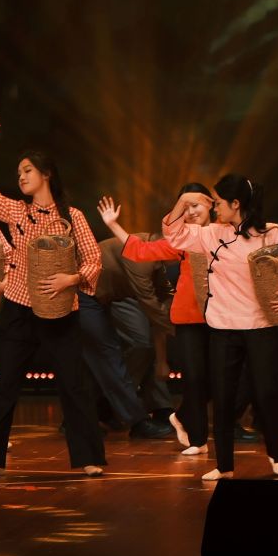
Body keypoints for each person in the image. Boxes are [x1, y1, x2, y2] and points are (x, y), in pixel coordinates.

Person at [0, 118, 106, 478]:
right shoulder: (16, 211)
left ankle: (88, 458)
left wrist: (71, 278)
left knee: (73, 384)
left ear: (46, 174)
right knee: (5, 384)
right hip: (19, 307)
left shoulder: (72, 217)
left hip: (60, 311)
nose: (21, 177)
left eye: (27, 171)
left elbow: (94, 259)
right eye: (19, 173)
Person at [191, 175, 278, 480]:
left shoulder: (270, 233)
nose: (215, 207)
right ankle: (224, 465)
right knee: (223, 397)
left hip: (259, 323)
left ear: (236, 204)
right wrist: (185, 202)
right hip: (222, 324)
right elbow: (174, 233)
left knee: (266, 392)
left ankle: (277, 454)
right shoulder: (211, 233)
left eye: (219, 202)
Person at [107, 186, 214, 456]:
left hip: (223, 316)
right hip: (190, 316)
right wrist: (113, 225)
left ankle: (182, 417)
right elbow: (142, 251)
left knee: (219, 378)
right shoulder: (184, 239)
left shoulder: (223, 233)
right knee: (195, 378)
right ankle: (198, 440)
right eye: (185, 208)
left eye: (196, 205)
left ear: (211, 204)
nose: (191, 212)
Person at [77, 210, 176, 440]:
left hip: (117, 293)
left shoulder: (157, 259)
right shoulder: (143, 256)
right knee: (108, 353)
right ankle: (124, 414)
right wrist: (178, 329)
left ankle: (153, 407)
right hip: (88, 293)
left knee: (142, 345)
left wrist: (163, 359)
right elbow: (152, 306)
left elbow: (164, 301)